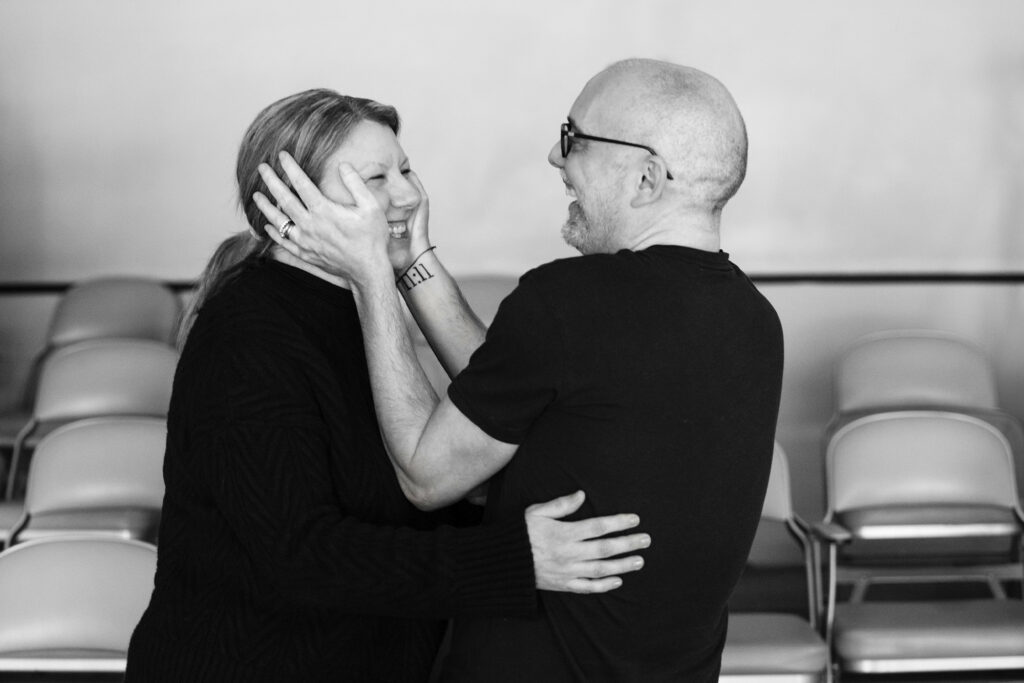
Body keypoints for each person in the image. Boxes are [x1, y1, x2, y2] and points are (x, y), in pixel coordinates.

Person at [258, 58, 783, 682]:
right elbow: (514, 392)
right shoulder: (754, 320)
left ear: (646, 178)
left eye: (575, 141)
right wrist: (411, 261)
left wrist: (374, 274)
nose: (557, 160)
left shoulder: (571, 301)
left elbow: (427, 477)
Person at [124, 89, 652, 683]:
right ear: (294, 205)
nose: (408, 194)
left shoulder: (350, 306)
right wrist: (515, 557)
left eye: (405, 169)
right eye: (375, 178)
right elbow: (298, 557)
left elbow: (403, 490)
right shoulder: (249, 332)